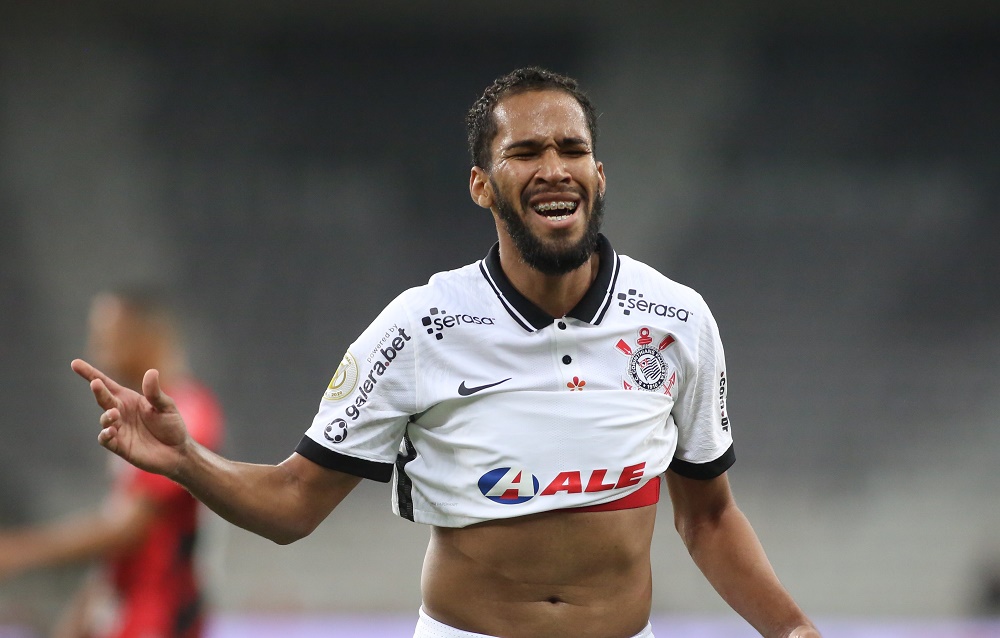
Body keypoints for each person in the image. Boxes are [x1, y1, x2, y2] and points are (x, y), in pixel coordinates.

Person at [70, 67, 820, 638]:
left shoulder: (676, 321)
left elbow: (709, 518)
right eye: (524, 151)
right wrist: (186, 460)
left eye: (573, 149)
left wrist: (795, 631)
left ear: (598, 175)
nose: (554, 166)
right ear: (482, 186)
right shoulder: (419, 327)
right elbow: (292, 504)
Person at [2, 288, 224, 638]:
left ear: (144, 336)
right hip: (128, 616)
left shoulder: (187, 413)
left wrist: (20, 551)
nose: (97, 350)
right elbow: (121, 548)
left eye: (107, 338)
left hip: (162, 619)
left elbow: (129, 528)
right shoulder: (138, 417)